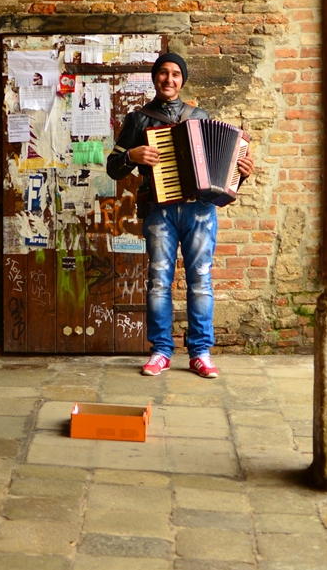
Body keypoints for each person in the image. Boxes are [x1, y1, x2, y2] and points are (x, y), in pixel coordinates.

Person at [106, 52, 254, 378]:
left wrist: (241, 173)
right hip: (159, 211)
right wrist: (131, 154)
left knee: (200, 282)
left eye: (175, 74)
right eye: (163, 73)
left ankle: (200, 352)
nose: (169, 79)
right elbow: (113, 168)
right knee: (159, 282)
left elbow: (222, 169)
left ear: (182, 80)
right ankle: (161, 351)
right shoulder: (138, 120)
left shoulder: (199, 116)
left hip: (199, 210)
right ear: (154, 77)